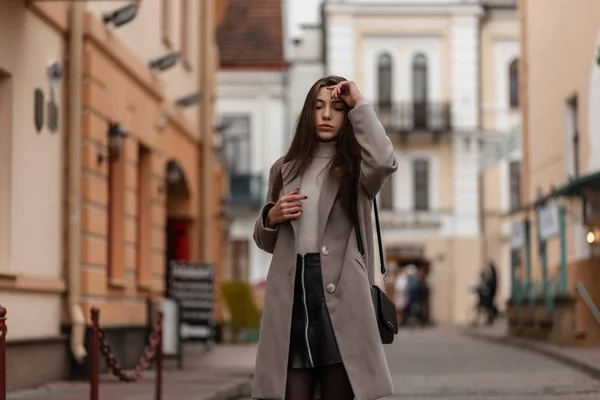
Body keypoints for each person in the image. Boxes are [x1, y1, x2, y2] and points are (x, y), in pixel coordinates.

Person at [251, 76, 398, 400]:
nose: (326, 114)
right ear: (308, 114)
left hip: (343, 297)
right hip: (292, 299)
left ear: (346, 116)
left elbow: (385, 160)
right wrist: (271, 217)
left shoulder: (357, 168)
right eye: (318, 107)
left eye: (335, 108)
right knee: (290, 391)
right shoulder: (283, 170)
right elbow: (266, 242)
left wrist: (359, 102)